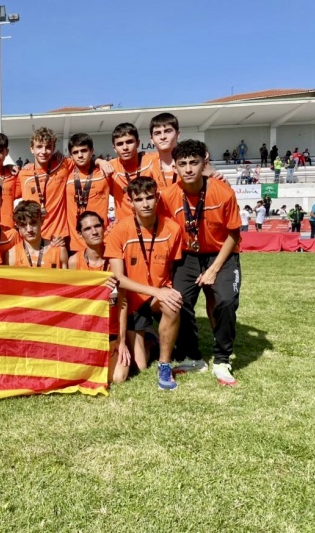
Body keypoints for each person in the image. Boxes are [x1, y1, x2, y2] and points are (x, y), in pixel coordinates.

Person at [158, 140, 242, 387]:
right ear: (175, 166)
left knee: (225, 300)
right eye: (182, 164)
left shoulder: (223, 191)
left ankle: (222, 359)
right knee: (177, 301)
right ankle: (194, 357)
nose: (188, 169)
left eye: (193, 163)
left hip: (221, 254)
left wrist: (214, 269)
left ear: (204, 163)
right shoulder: (168, 196)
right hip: (188, 256)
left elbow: (234, 234)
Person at [104, 177, 183, 390]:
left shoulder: (173, 229)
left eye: (149, 198)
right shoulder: (119, 230)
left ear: (157, 198)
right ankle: (151, 340)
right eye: (139, 199)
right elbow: (119, 278)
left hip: (158, 295)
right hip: (131, 299)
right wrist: (155, 290)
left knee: (172, 305)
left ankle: (164, 366)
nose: (145, 204)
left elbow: (174, 268)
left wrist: (166, 292)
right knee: (139, 364)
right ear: (130, 202)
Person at [68, 211, 120, 383]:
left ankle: (147, 341)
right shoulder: (74, 262)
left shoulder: (116, 257)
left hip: (114, 328)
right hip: (89, 329)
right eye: (88, 228)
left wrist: (122, 339)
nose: (94, 231)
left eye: (97, 226)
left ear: (104, 227)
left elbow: (124, 302)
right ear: (80, 234)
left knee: (116, 378)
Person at [16, 127, 73, 242]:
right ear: (31, 149)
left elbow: (84, 161)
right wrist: (10, 167)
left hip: (58, 236)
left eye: (48, 147)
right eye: (39, 147)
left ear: (53, 149)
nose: (43, 151)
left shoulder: (63, 165)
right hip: (33, 235)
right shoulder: (23, 174)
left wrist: (99, 161)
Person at [65, 133, 110, 252]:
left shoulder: (104, 172)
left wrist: (100, 161)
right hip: (74, 244)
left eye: (84, 150)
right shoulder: (66, 172)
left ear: (91, 151)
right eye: (75, 152)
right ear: (71, 155)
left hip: (101, 242)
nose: (80, 155)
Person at [108, 123, 157, 221]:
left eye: (129, 142)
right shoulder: (110, 168)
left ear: (138, 143)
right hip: (125, 229)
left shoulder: (152, 160)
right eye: (120, 144)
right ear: (114, 148)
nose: (125, 147)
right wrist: (98, 161)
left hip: (151, 225)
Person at [7, 200, 67, 268]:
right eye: (23, 225)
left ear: (41, 221)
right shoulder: (11, 255)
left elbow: (66, 278)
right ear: (17, 226)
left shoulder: (59, 251)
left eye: (33, 223)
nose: (29, 229)